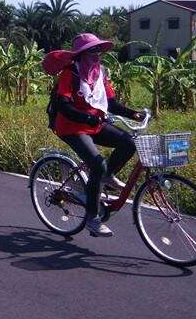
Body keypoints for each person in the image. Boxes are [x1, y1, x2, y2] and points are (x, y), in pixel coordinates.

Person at [45, 33, 145, 238]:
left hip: (95, 124)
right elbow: (63, 106)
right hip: (71, 127)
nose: (97, 55)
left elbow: (111, 104)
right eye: (92, 51)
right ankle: (92, 218)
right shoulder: (69, 74)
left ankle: (106, 177)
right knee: (97, 163)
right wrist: (86, 118)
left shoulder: (100, 74)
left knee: (128, 142)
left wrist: (134, 114)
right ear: (81, 55)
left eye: (98, 50)